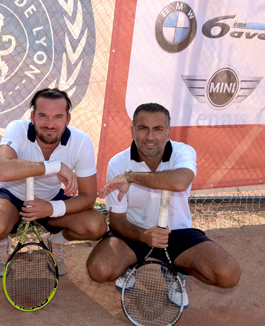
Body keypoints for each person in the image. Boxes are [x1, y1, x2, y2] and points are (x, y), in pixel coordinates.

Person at [86, 103, 241, 306]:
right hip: (134, 233)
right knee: (99, 269)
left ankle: (175, 271)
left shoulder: (182, 152)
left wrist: (130, 177)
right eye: (143, 128)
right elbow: (116, 219)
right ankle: (129, 264)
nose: (150, 136)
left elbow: (179, 181)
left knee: (228, 275)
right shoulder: (118, 162)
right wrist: (143, 235)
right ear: (132, 130)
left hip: (177, 233)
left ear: (168, 132)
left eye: (158, 129)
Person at [0, 88, 107, 276]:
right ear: (32, 117)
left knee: (96, 226)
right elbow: (3, 170)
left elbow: (88, 197)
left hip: (51, 199)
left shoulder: (81, 142)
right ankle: (2, 243)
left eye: (57, 117)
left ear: (67, 119)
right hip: (12, 195)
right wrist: (55, 166)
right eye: (43, 116)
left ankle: (55, 240)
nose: (50, 124)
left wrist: (51, 208)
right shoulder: (17, 128)